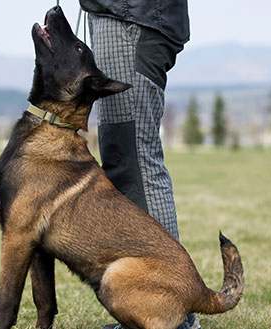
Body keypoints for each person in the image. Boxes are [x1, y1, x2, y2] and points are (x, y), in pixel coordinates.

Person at [78, 1, 199, 329]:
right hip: (127, 16)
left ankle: (170, 316)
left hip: (130, 18)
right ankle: (164, 312)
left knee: (132, 161)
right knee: (127, 160)